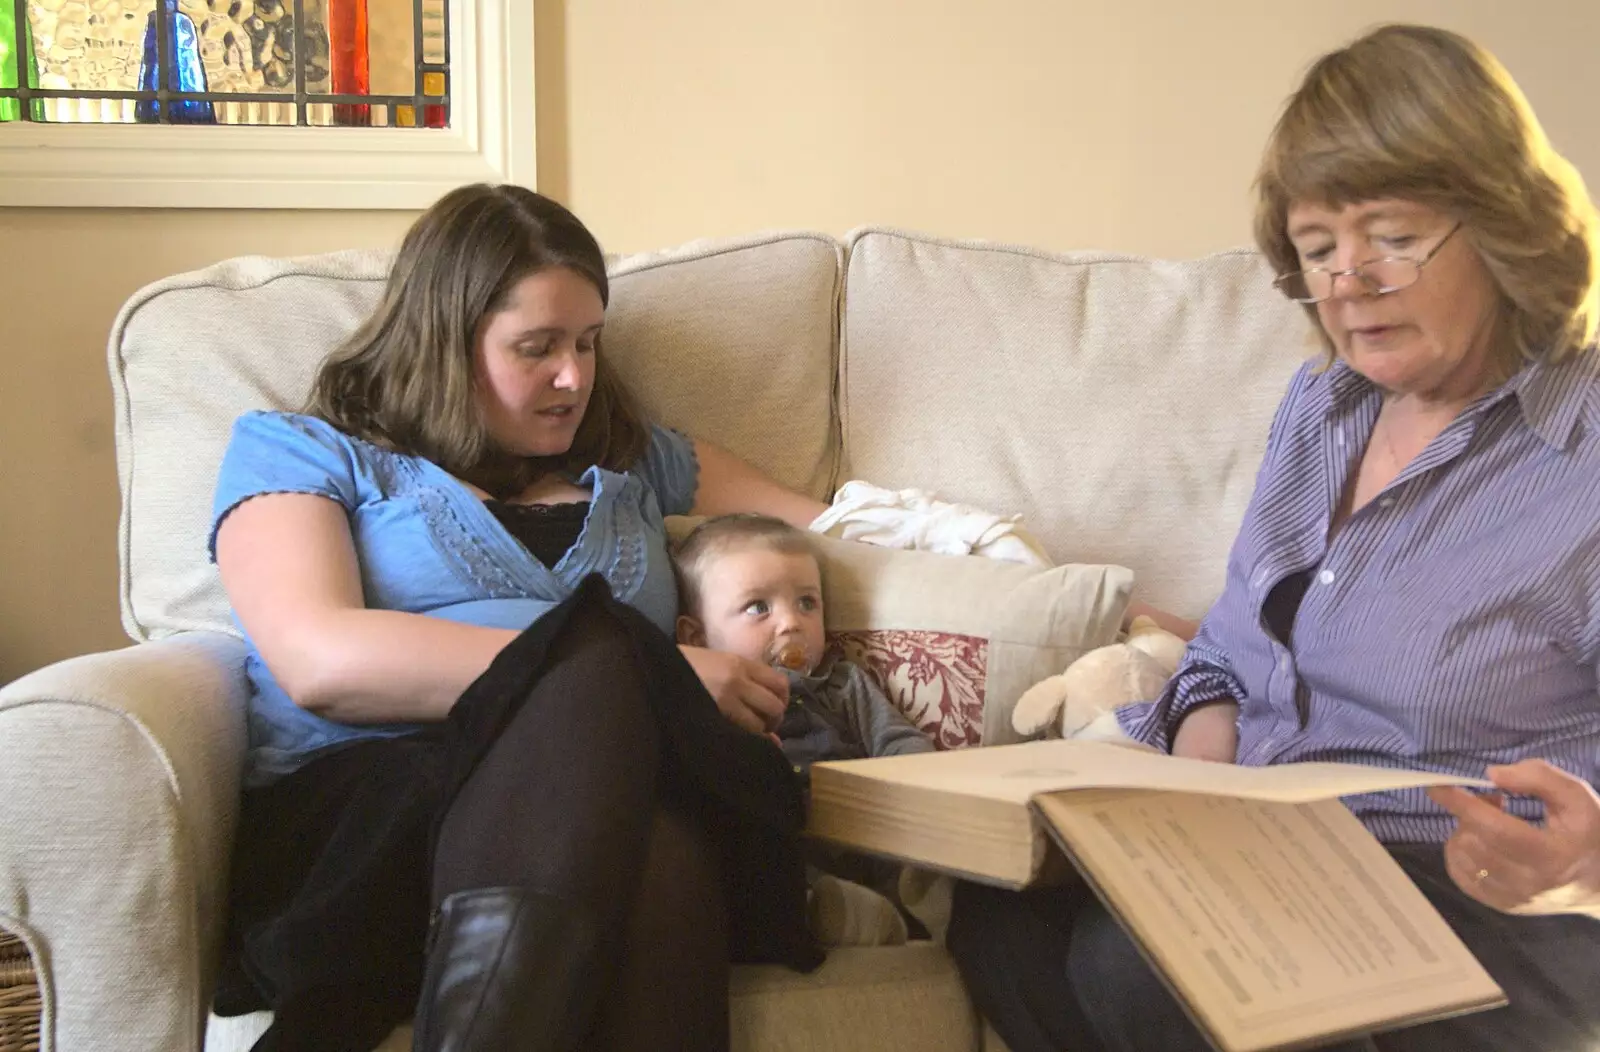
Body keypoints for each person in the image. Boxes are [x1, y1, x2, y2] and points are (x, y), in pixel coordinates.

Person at [948, 23, 1600, 1052]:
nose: (1347, 280)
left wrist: (1585, 858)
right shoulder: (1321, 404)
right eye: (1316, 248)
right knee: (996, 907)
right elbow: (1232, 644)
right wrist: (1203, 739)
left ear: (1503, 223)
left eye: (1389, 234)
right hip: (1279, 853)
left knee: (1142, 969)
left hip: (1481, 902)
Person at [207, 183, 835, 1052]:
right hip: (378, 807)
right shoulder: (305, 450)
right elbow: (320, 657)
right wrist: (651, 676)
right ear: (443, 342)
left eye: (587, 342)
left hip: (627, 797)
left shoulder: (633, 460)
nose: (575, 376)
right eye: (537, 347)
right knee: (618, 705)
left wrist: (987, 545)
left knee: (656, 839)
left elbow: (833, 525)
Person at [673, 512, 936, 946]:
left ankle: (914, 909)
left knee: (914, 861)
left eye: (807, 603)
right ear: (697, 640)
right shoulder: (708, 704)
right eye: (759, 607)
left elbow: (899, 741)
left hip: (863, 835)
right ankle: (834, 913)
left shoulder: (841, 684)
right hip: (780, 845)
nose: (791, 623)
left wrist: (914, 788)